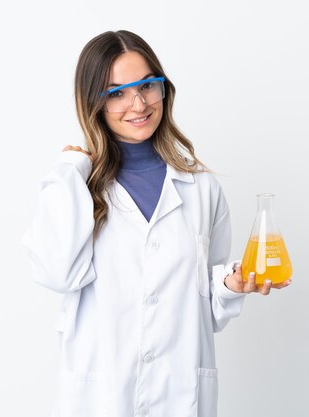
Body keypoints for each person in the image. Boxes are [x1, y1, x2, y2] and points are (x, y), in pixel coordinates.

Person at [21, 30, 291, 417]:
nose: (138, 103)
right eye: (116, 92)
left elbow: (206, 310)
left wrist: (231, 284)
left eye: (147, 85)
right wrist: (70, 168)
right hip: (103, 399)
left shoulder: (200, 188)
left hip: (180, 396)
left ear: (163, 88)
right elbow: (56, 273)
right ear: (92, 102)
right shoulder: (77, 185)